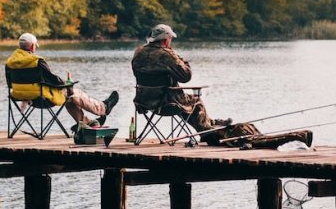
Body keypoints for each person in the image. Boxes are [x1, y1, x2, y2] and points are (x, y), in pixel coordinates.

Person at [131, 23, 312, 148]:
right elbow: (186, 76)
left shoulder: (138, 53)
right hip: (166, 103)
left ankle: (211, 126)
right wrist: (177, 56)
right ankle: (209, 131)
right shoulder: (166, 54)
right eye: (170, 40)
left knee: (192, 105)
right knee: (196, 102)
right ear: (165, 40)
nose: (171, 42)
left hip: (145, 103)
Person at [6, 33, 119, 129]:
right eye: (35, 45)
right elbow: (53, 79)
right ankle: (103, 108)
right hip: (42, 98)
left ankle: (85, 123)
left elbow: (9, 84)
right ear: (31, 47)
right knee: (74, 93)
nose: (35, 47)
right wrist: (66, 84)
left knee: (69, 98)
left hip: (22, 97)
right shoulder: (36, 61)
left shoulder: (10, 62)